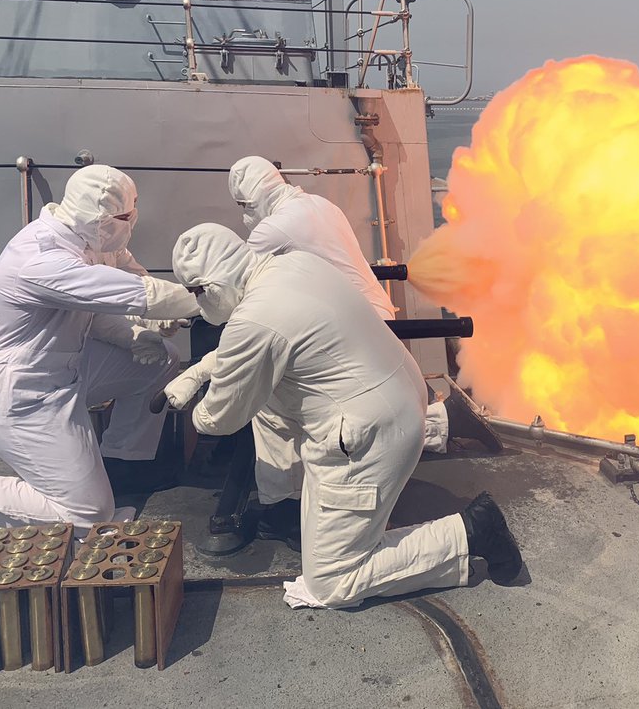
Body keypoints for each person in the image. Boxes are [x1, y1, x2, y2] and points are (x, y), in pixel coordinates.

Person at [167, 223, 522, 608]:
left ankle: (471, 532)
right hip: (403, 397)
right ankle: (305, 498)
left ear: (212, 286)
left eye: (198, 293)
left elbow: (222, 416)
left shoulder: (252, 319)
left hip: (369, 439)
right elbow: (265, 341)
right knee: (269, 400)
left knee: (333, 581)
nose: (200, 303)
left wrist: (192, 406)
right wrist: (200, 370)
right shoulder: (295, 265)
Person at [169, 156, 501, 546]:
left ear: (249, 200)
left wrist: (170, 317)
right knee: (343, 402)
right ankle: (439, 422)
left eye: (242, 208)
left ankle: (286, 504)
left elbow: (232, 291)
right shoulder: (317, 204)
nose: (242, 217)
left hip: (336, 327)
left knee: (278, 402)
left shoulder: (271, 232)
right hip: (360, 313)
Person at [0, 165, 199, 541]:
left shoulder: (95, 241)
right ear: (98, 217)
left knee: (163, 358)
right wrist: (204, 300)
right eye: (125, 217)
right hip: (24, 395)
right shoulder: (39, 259)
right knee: (91, 514)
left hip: (68, 369)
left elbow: (124, 290)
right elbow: (134, 295)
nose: (131, 223)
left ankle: (122, 464)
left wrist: (144, 331)